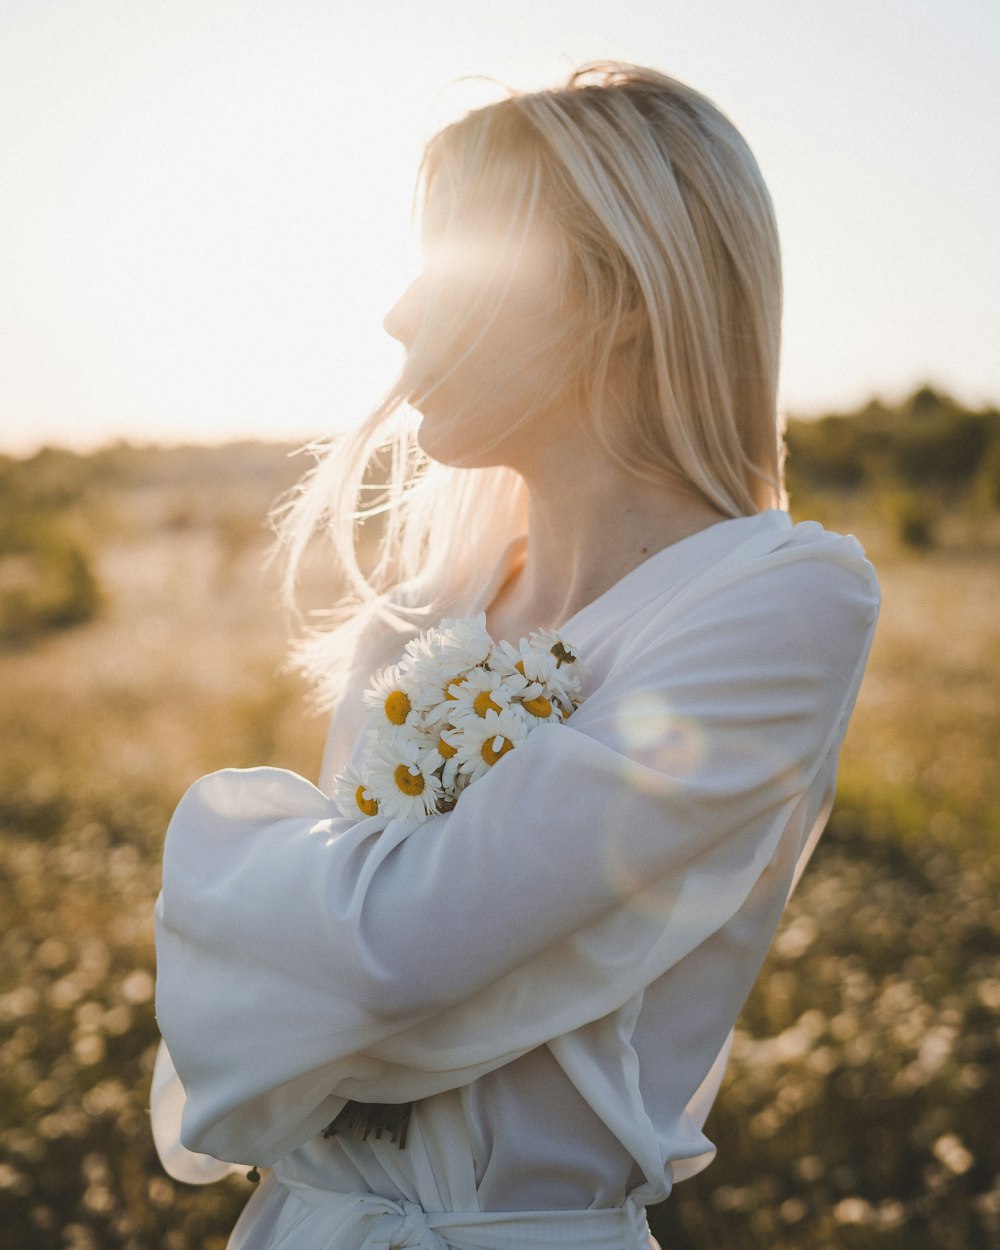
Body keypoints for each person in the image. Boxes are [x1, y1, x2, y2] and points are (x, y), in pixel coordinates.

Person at [152, 63, 879, 1250]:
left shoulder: (781, 601)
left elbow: (381, 966)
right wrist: (319, 959)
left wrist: (232, 886)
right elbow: (338, 989)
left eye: (455, 258)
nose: (398, 314)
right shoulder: (421, 614)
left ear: (619, 295)